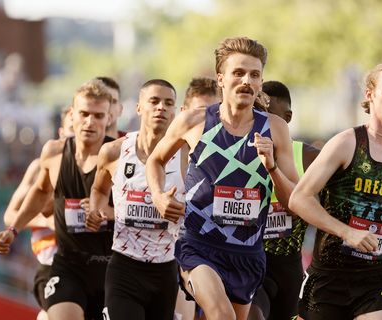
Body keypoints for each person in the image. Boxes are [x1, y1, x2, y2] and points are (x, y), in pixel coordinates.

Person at [146, 37, 299, 320]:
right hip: (199, 245)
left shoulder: (275, 129)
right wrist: (157, 194)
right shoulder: (194, 121)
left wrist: (273, 167)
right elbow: (155, 160)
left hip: (247, 252)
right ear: (221, 79)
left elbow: (294, 201)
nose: (246, 81)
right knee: (221, 315)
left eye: (254, 75)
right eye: (238, 73)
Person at [288, 62, 382, 320]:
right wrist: (347, 232)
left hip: (377, 278)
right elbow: (299, 199)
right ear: (370, 94)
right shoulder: (346, 143)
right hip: (329, 276)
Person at [0, 79, 115, 320]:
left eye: (98, 116)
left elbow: (139, 207)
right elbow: (38, 192)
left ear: (109, 119)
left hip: (111, 268)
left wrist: (106, 212)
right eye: (84, 114)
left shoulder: (121, 154)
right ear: (72, 114)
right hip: (67, 265)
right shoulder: (53, 153)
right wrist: (13, 230)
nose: (90, 122)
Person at [85, 79, 183, 320]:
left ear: (176, 111)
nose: (161, 107)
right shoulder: (114, 152)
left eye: (168, 103)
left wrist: (181, 209)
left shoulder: (186, 153)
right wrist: (97, 211)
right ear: (139, 107)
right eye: (154, 101)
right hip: (125, 268)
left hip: (166, 269)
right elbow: (98, 190)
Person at [248, 80, 320, 320]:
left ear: (286, 118)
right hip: (250, 260)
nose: (261, 123)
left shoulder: (309, 158)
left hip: (289, 267)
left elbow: (328, 213)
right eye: (255, 113)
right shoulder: (235, 155)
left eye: (267, 115)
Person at [1, 106, 74, 320]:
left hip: (90, 261)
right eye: (72, 128)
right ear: (61, 132)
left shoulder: (99, 163)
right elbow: (10, 216)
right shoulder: (39, 166)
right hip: (51, 261)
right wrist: (49, 221)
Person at [173, 77, 221, 320]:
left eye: (215, 111)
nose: (208, 120)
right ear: (184, 113)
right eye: (203, 111)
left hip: (213, 253)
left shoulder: (226, 161)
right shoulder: (165, 155)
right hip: (165, 257)